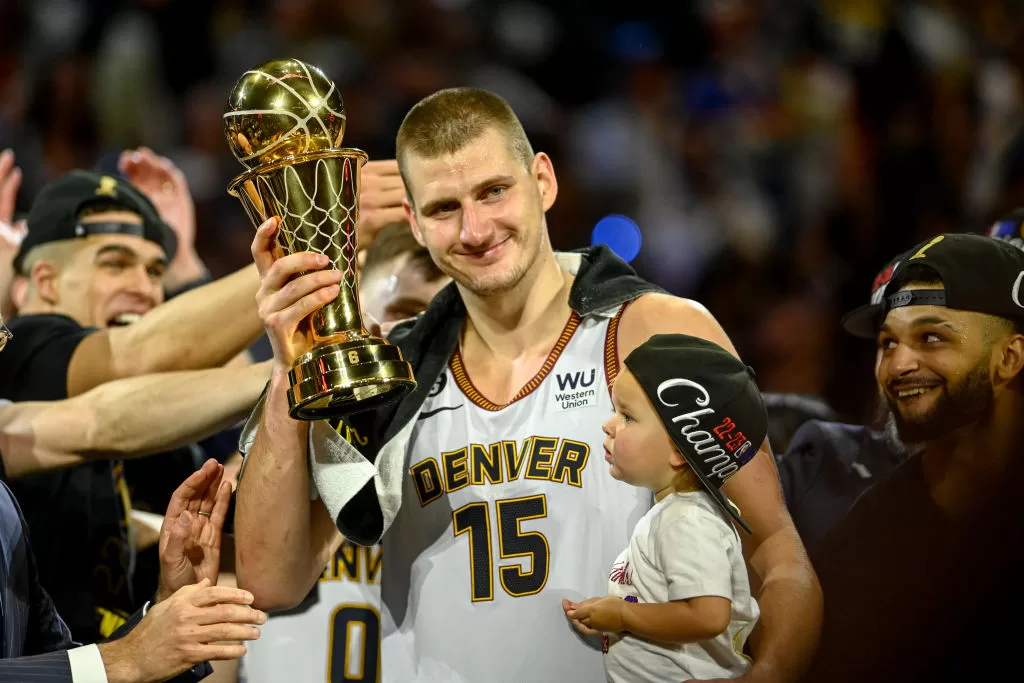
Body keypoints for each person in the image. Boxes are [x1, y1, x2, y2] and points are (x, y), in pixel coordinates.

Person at [236, 88, 821, 683]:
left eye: (493, 191)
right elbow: (272, 579)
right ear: (413, 222)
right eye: (443, 208)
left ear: (542, 180)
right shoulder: (395, 375)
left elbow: (775, 553)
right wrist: (294, 366)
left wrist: (769, 673)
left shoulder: (651, 332)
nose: (475, 228)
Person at [0, 169, 266, 644]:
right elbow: (133, 361)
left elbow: (237, 483)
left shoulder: (153, 414)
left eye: (155, 271)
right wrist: (312, 244)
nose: (145, 288)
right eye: (115, 263)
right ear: (44, 281)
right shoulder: (22, 347)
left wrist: (187, 274)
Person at [802, 232, 1024, 682]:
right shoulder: (868, 537)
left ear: (1009, 357)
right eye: (887, 343)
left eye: (930, 337)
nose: (898, 366)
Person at [240, 221, 448, 683]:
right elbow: (261, 582)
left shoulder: (460, 434)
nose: (419, 340)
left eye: (440, 322)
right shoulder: (291, 442)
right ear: (354, 312)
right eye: (406, 313)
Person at [562, 334, 761, 682]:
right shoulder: (673, 514)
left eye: (627, 416)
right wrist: (612, 621)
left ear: (681, 449)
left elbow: (707, 616)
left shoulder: (688, 521)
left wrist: (623, 616)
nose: (608, 424)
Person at [0, 457, 266, 682]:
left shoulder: (4, 507)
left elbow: (61, 662)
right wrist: (126, 657)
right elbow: (108, 666)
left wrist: (169, 608)